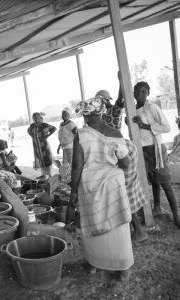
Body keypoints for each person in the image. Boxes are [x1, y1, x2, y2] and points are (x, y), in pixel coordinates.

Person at [66, 96, 133, 281]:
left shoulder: (81, 135)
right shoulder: (115, 133)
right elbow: (125, 163)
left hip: (90, 185)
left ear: (85, 116)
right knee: (119, 226)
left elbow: (77, 167)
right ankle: (124, 269)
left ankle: (95, 264)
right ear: (102, 112)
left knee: (93, 223)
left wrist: (73, 192)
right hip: (113, 184)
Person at [133, 81, 180, 227]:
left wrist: (144, 125)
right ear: (133, 93)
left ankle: (177, 217)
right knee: (153, 181)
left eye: (143, 92)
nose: (140, 95)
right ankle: (157, 207)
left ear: (148, 93)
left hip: (155, 149)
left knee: (165, 182)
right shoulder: (132, 109)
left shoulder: (151, 107)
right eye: (137, 91)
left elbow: (166, 127)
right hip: (142, 151)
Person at [124, 139, 149, 243]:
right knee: (130, 208)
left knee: (128, 207)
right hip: (131, 182)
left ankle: (139, 232)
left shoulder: (121, 147)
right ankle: (137, 232)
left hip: (126, 183)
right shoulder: (128, 143)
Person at [57, 109, 77, 183]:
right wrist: (59, 146)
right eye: (63, 114)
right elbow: (62, 136)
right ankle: (68, 179)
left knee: (70, 163)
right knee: (66, 163)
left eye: (65, 114)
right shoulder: (61, 124)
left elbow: (76, 134)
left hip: (71, 146)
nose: (64, 116)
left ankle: (73, 179)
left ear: (69, 115)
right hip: (65, 147)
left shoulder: (71, 124)